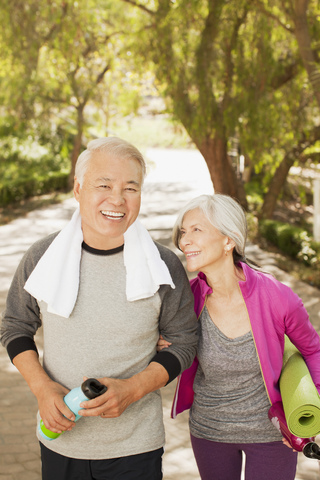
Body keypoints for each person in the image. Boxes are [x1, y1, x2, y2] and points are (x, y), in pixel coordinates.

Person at [0, 137, 198, 480]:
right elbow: (16, 326)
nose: (117, 199)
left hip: (135, 448)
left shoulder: (163, 265)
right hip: (60, 439)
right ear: (78, 189)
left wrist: (134, 389)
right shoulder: (41, 256)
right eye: (103, 185)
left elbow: (184, 340)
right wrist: (42, 389)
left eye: (130, 188)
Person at [158, 193, 320, 480]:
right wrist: (164, 344)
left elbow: (313, 349)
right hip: (209, 432)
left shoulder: (278, 297)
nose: (184, 241)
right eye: (183, 232)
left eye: (197, 230)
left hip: (272, 434)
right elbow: (164, 345)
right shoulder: (187, 298)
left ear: (228, 240)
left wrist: (312, 408)